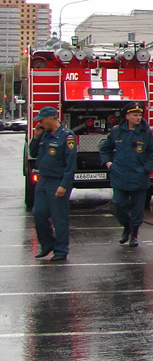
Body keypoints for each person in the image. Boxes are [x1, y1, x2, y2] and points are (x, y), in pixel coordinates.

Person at [100, 103, 153, 247]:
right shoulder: (117, 132)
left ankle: (134, 233)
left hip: (139, 176)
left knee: (138, 208)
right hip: (120, 175)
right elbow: (105, 149)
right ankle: (126, 227)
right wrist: (109, 164)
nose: (138, 118)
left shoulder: (147, 133)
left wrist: (146, 169)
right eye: (134, 115)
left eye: (140, 115)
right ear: (127, 116)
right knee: (119, 204)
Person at [29, 106, 77, 261]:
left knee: (59, 217)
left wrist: (64, 185)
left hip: (57, 181)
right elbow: (33, 153)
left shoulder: (66, 136)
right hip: (43, 180)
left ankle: (61, 250)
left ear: (51, 118)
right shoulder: (44, 135)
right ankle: (47, 244)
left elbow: (70, 164)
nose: (40, 123)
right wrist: (36, 137)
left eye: (42, 120)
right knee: (39, 214)